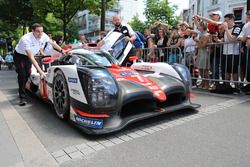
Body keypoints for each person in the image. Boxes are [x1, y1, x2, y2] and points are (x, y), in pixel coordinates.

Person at [14, 23, 65, 106]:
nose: (40, 33)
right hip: (20, 56)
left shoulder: (43, 35)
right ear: (32, 31)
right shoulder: (26, 39)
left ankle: (22, 86)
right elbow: (31, 57)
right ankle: (22, 97)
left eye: (41, 31)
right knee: (22, 74)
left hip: (29, 56)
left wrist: (62, 50)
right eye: (38, 31)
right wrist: (40, 71)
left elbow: (52, 43)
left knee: (28, 74)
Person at [238, 10, 250, 94]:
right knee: (248, 67)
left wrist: (248, 37)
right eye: (247, 14)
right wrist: (243, 38)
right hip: (247, 48)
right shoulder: (246, 25)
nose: (248, 15)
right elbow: (240, 36)